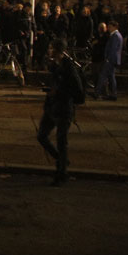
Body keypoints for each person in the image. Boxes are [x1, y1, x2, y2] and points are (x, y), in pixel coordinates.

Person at [37, 39, 84, 186]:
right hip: (52, 107)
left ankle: (61, 172)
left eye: (51, 49)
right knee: (42, 136)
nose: (49, 51)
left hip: (64, 109)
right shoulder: (55, 65)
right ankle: (60, 160)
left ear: (58, 51)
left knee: (61, 141)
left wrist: (59, 92)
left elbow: (78, 93)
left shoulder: (69, 68)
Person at [94, 19, 122, 101]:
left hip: (110, 60)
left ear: (114, 27)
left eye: (109, 27)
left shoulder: (115, 36)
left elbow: (112, 49)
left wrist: (108, 58)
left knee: (103, 76)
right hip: (113, 60)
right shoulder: (117, 35)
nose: (108, 29)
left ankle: (97, 93)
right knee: (111, 77)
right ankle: (113, 93)